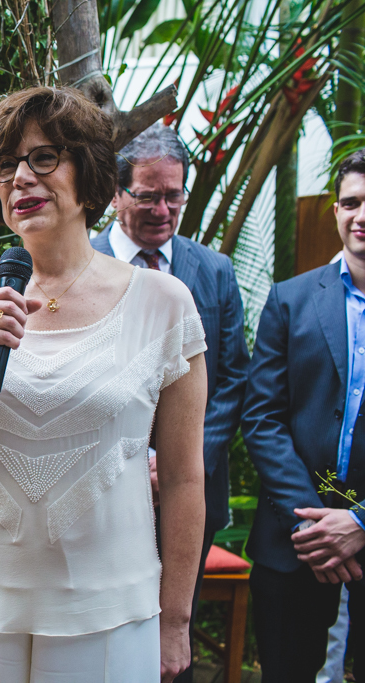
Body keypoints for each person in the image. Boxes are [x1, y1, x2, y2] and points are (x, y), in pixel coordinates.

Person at [0, 87, 208, 683]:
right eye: (5, 165)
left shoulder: (164, 304)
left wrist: (175, 620)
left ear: (88, 174)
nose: (20, 178)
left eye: (43, 158)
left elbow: (185, 477)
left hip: (108, 615)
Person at [92, 123, 250, 683]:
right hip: (101, 490)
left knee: (170, 652)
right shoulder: (79, 263)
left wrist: (182, 459)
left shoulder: (215, 270)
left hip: (189, 494)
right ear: (116, 194)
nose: (163, 210)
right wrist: (137, 459)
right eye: (148, 196)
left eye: (174, 195)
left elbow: (233, 379)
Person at [242, 148, 365, 681]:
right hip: (293, 542)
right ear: (336, 211)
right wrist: (315, 524)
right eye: (351, 203)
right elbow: (262, 417)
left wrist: (359, 522)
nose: (361, 215)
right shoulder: (289, 300)